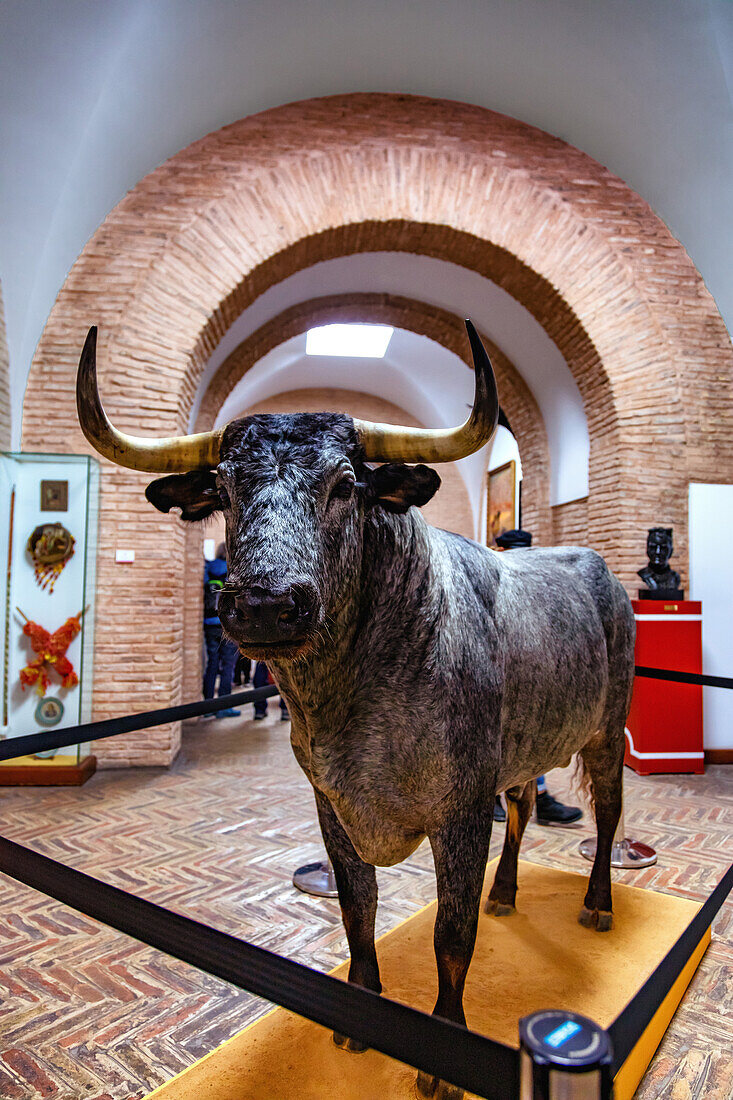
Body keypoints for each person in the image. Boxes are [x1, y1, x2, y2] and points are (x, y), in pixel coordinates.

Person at [492, 527, 582, 826]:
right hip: (492, 679)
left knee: (531, 735)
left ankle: (539, 797)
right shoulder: (487, 580)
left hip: (529, 678)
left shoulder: (534, 584)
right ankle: (489, 797)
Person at [203, 544, 241, 719]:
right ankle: (224, 706)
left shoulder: (207, 568)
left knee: (211, 664)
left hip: (209, 622)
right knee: (227, 666)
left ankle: (207, 706)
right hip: (227, 624)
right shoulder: (232, 569)